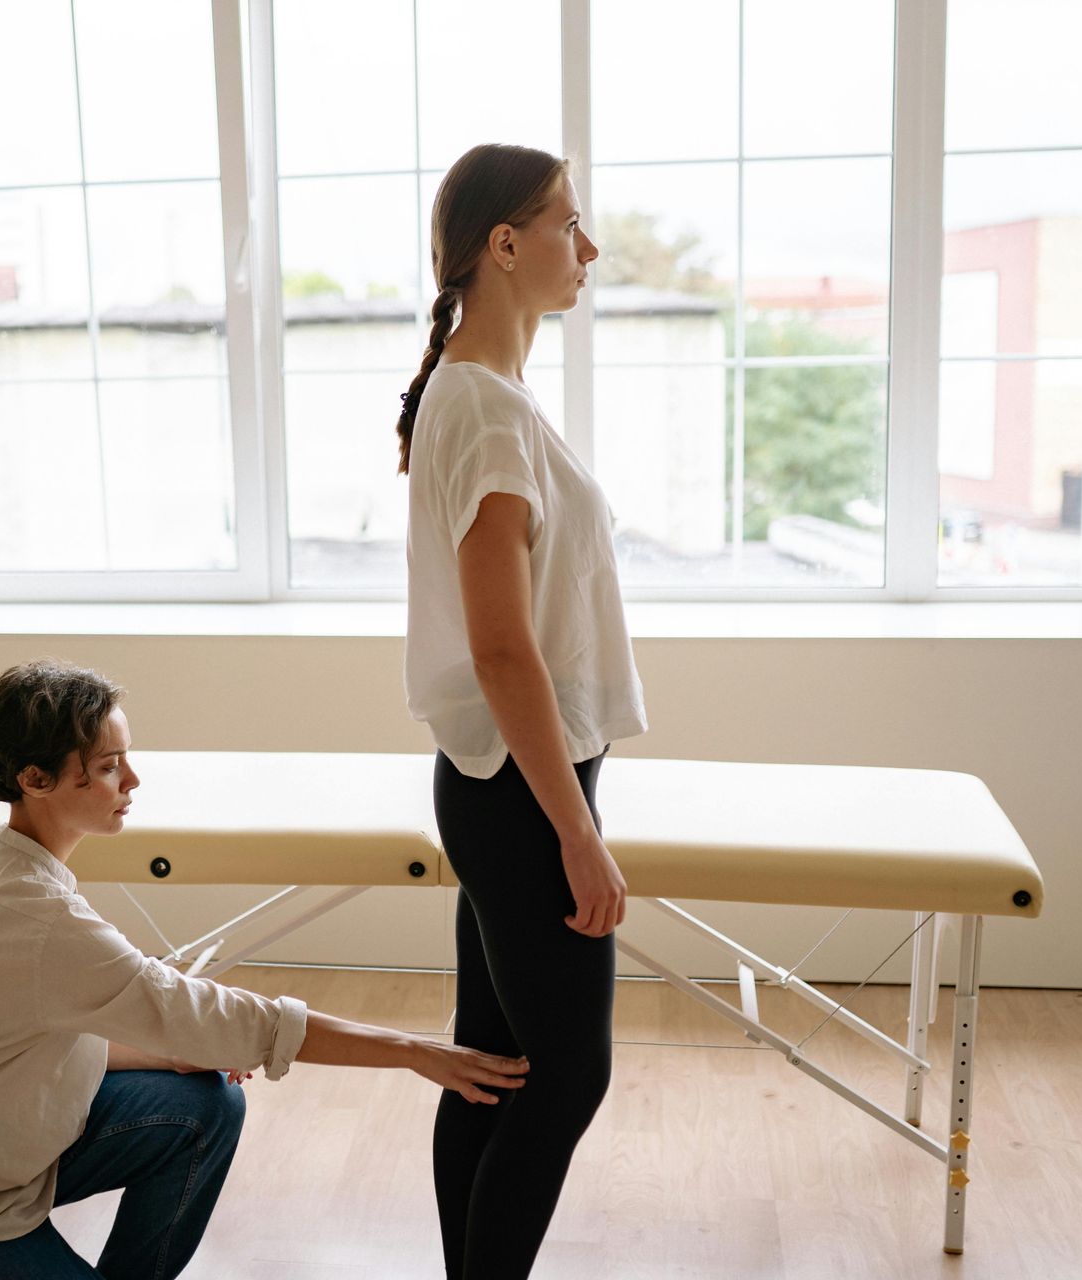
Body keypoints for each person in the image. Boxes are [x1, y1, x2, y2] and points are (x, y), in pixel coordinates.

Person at [0, 660, 529, 1279]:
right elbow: (222, 1016)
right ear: (36, 780)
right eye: (110, 765)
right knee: (200, 1063)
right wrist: (414, 1051)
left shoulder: (7, 867)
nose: (134, 781)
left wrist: (171, 1054)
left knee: (201, 1104)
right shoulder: (35, 918)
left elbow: (32, 1037)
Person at [397, 142, 648, 1278]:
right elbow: (503, 650)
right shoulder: (488, 413)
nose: (586, 249)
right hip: (520, 787)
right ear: (505, 245)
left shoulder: (473, 392)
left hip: (500, 781)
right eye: (567, 225)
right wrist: (579, 834)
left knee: (492, 1060)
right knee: (563, 1075)